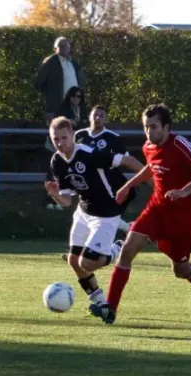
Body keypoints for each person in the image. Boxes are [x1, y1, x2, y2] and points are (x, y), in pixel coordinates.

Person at [89, 104, 191, 325]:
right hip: (155, 210)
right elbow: (150, 167)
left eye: (153, 127)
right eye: (146, 127)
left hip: (180, 219)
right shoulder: (148, 146)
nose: (149, 132)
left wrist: (184, 191)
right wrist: (128, 185)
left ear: (166, 127)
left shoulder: (180, 144)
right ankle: (110, 309)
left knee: (180, 269)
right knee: (127, 250)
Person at [45, 117, 145, 311]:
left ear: (73, 136)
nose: (60, 143)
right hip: (83, 211)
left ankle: (117, 249)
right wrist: (54, 194)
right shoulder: (57, 160)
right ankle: (98, 301)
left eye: (64, 138)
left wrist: (153, 180)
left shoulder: (89, 154)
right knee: (74, 260)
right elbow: (67, 201)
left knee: (87, 264)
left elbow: (128, 160)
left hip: (106, 213)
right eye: (55, 139)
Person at [59, 105, 137, 262]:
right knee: (87, 214)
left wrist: (137, 181)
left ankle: (112, 249)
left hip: (110, 186)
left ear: (106, 118)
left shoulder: (113, 138)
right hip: (87, 185)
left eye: (102, 115)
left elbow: (127, 161)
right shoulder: (80, 135)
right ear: (90, 116)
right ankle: (78, 251)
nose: (98, 118)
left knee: (104, 216)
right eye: (95, 115)